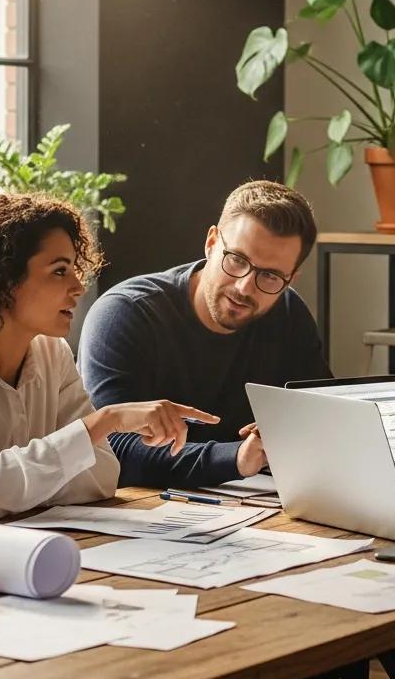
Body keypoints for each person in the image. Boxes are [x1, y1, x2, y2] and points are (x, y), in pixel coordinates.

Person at [0, 194, 212, 519]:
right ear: (3, 280)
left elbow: (103, 476)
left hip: (6, 549)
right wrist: (103, 421)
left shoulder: (52, 354)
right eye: (60, 271)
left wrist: (5, 468)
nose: (79, 286)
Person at [78, 179, 330, 490]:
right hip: (137, 510)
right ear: (211, 243)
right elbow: (110, 449)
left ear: (291, 278)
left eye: (270, 275)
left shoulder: (289, 314)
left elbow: (322, 418)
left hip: (251, 508)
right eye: (236, 260)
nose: (244, 287)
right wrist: (236, 457)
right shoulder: (126, 315)